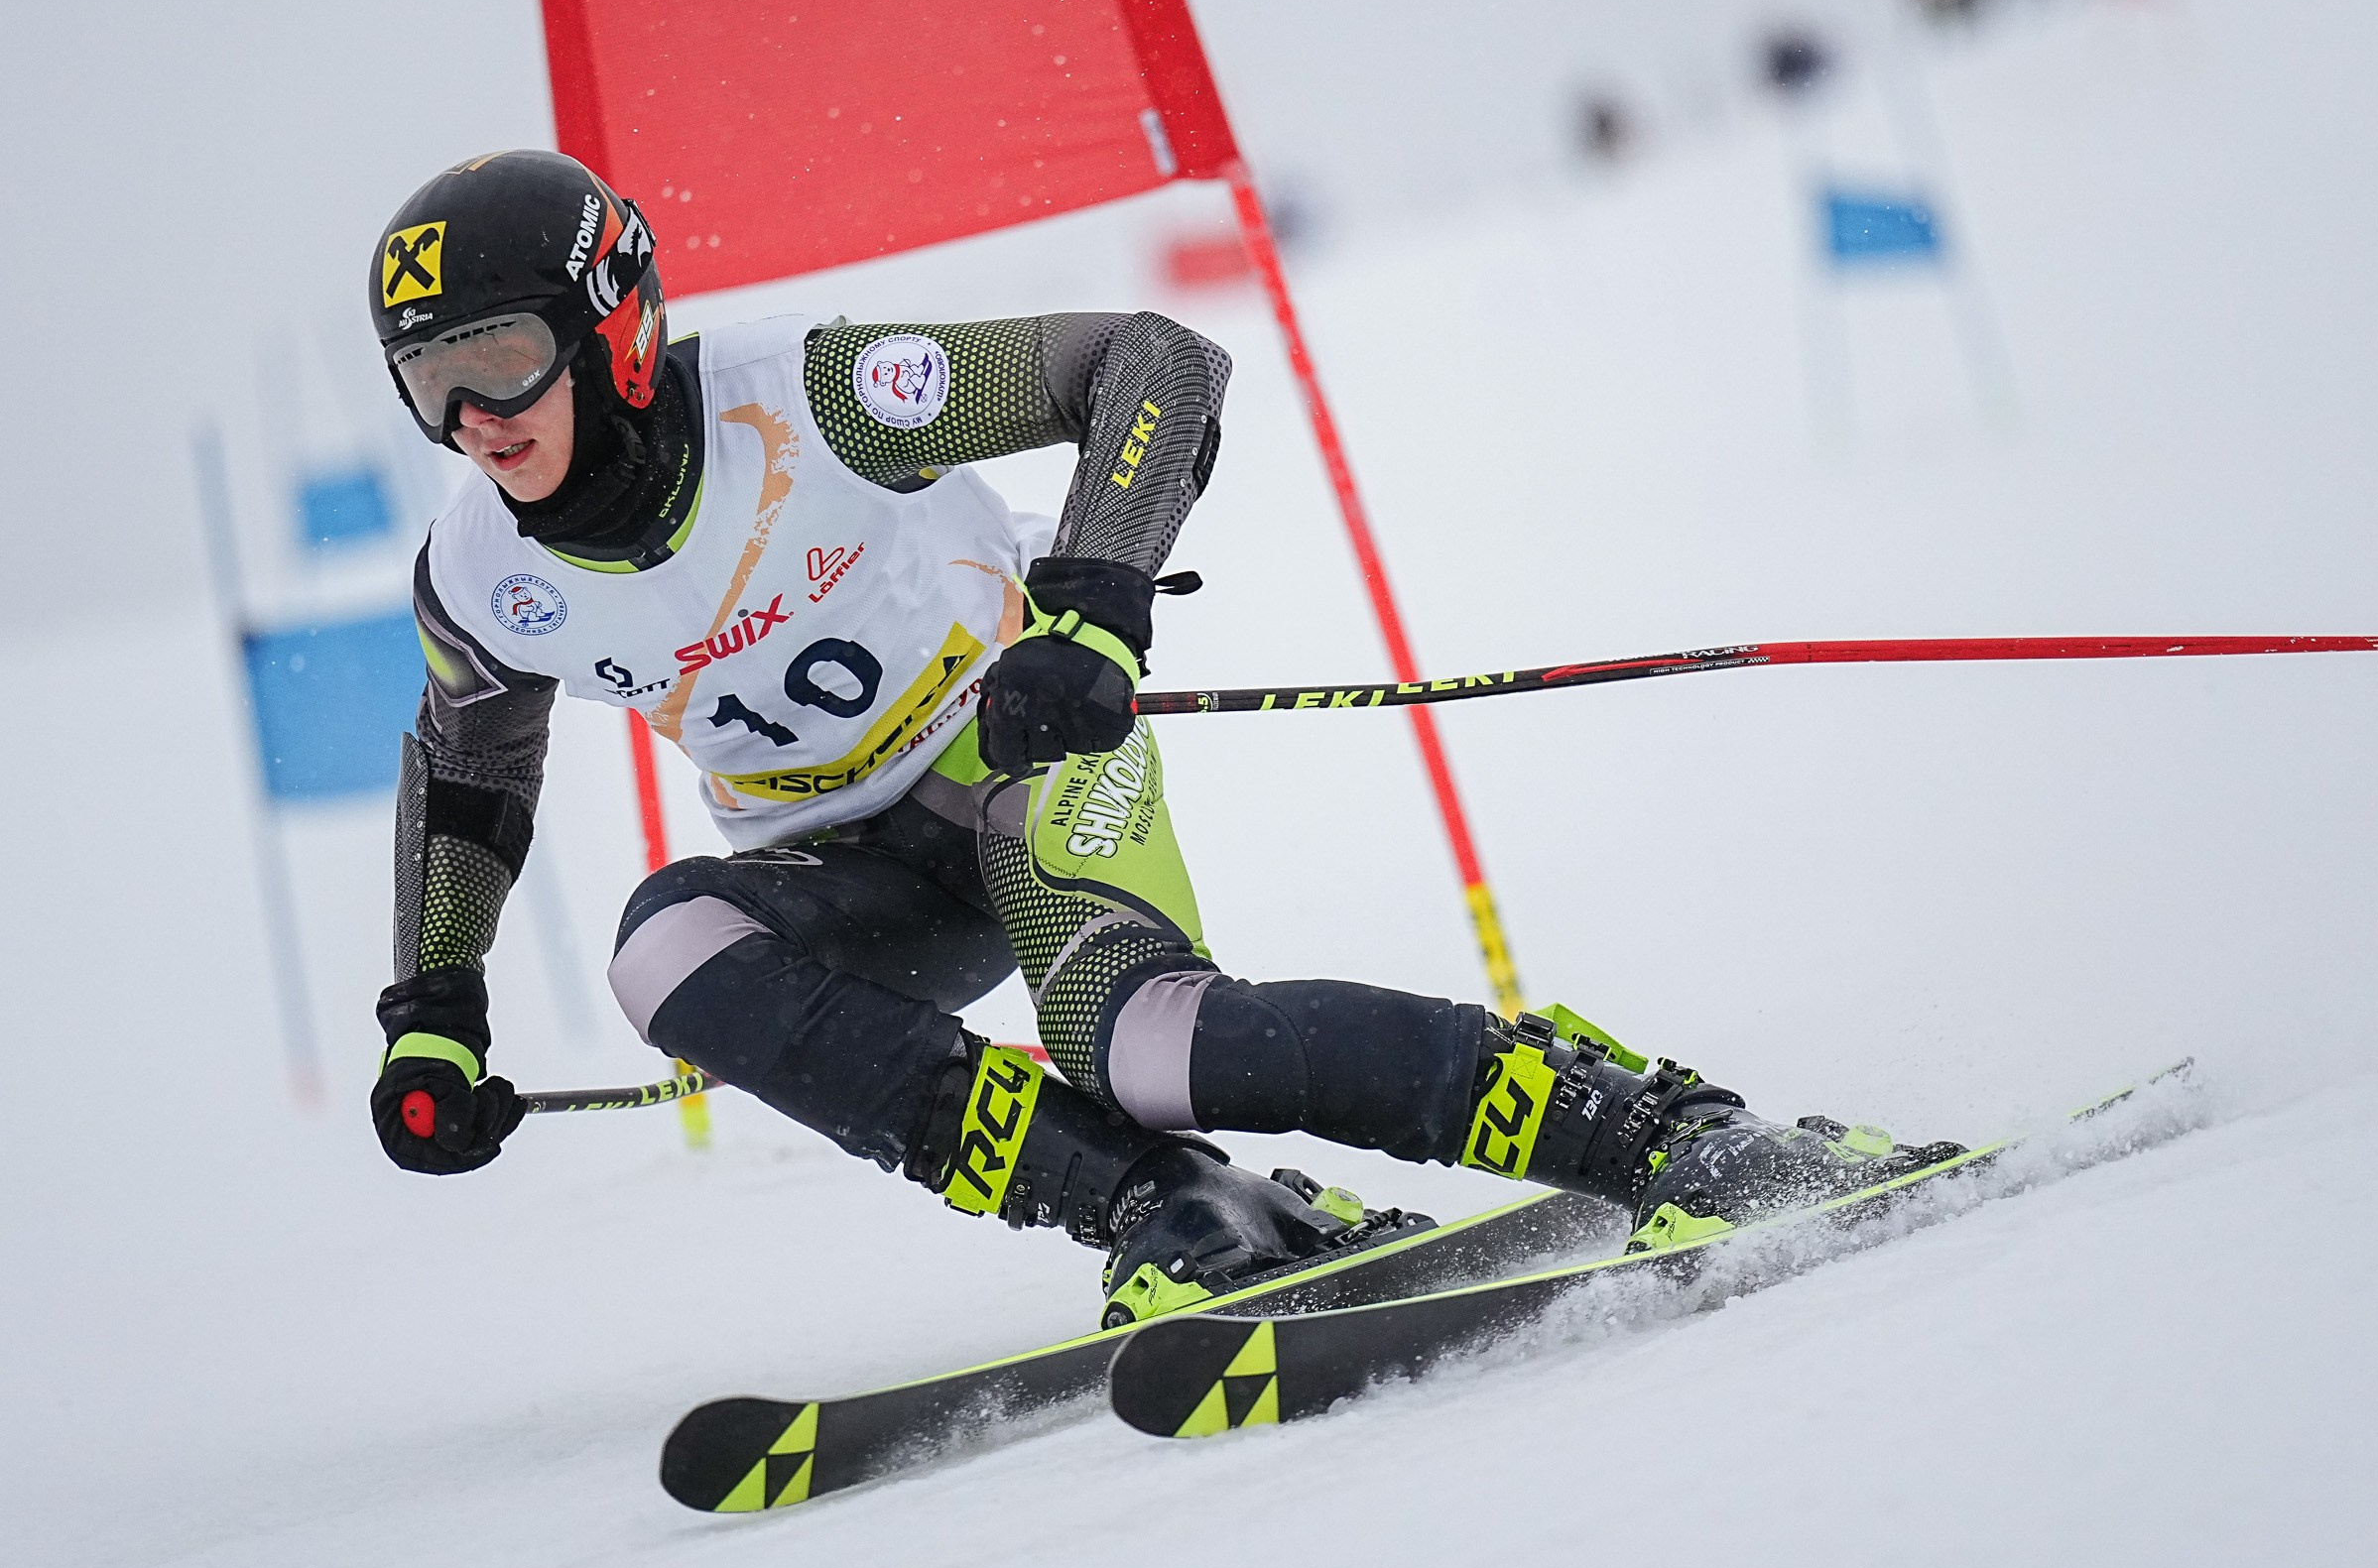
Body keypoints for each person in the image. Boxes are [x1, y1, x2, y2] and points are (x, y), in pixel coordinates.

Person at [367, 150, 1955, 1320]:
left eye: (499, 359)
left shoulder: (818, 396)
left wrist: (1092, 610)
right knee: (658, 950)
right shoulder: (482, 573)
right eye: (431, 386)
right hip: (853, 879)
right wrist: (434, 1003)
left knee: (1146, 1046)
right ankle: (1168, 1210)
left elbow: (1153, 363)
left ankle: (1659, 1133)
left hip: (1024, 768)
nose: (476, 421)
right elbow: (469, 769)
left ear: (611, 322)